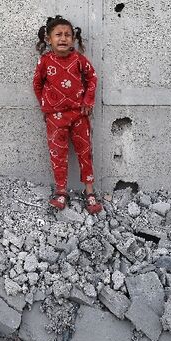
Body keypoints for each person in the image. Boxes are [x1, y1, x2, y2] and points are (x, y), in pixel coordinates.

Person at [32, 15, 103, 214]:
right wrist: (46, 106)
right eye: (58, 35)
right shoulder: (45, 61)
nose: (63, 38)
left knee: (84, 153)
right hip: (55, 118)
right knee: (58, 155)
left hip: (79, 115)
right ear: (48, 39)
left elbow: (92, 78)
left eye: (67, 35)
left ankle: (89, 192)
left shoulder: (79, 60)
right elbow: (37, 84)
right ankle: (61, 191)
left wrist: (88, 101)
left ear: (73, 39)